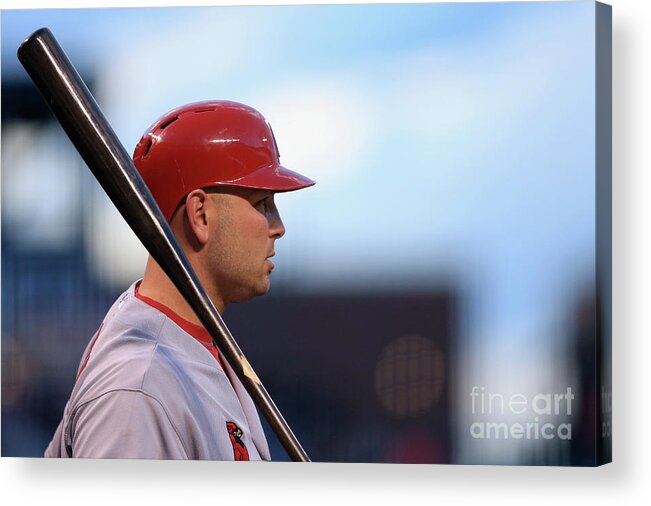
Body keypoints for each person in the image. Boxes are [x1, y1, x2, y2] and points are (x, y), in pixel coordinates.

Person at [44, 100, 315, 460]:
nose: (277, 227)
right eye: (263, 203)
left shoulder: (191, 345)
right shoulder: (138, 389)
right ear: (200, 214)